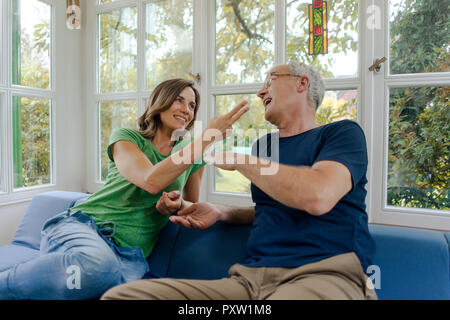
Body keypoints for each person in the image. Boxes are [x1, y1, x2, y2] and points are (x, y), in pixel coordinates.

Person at [101, 61, 378, 300]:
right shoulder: (264, 145)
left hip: (325, 274)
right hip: (251, 281)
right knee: (122, 295)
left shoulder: (342, 133)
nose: (260, 91)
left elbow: (317, 196)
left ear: (302, 83)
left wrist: (240, 160)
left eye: (270, 80)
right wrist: (222, 212)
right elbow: (275, 209)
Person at [0, 78, 249, 300]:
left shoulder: (193, 157)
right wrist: (207, 137)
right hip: (86, 226)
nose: (186, 109)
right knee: (96, 266)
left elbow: (190, 207)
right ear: (159, 103)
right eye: (178, 100)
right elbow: (150, 180)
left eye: (192, 105)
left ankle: (62, 267)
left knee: (104, 283)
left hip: (129, 256)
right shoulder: (127, 138)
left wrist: (175, 205)